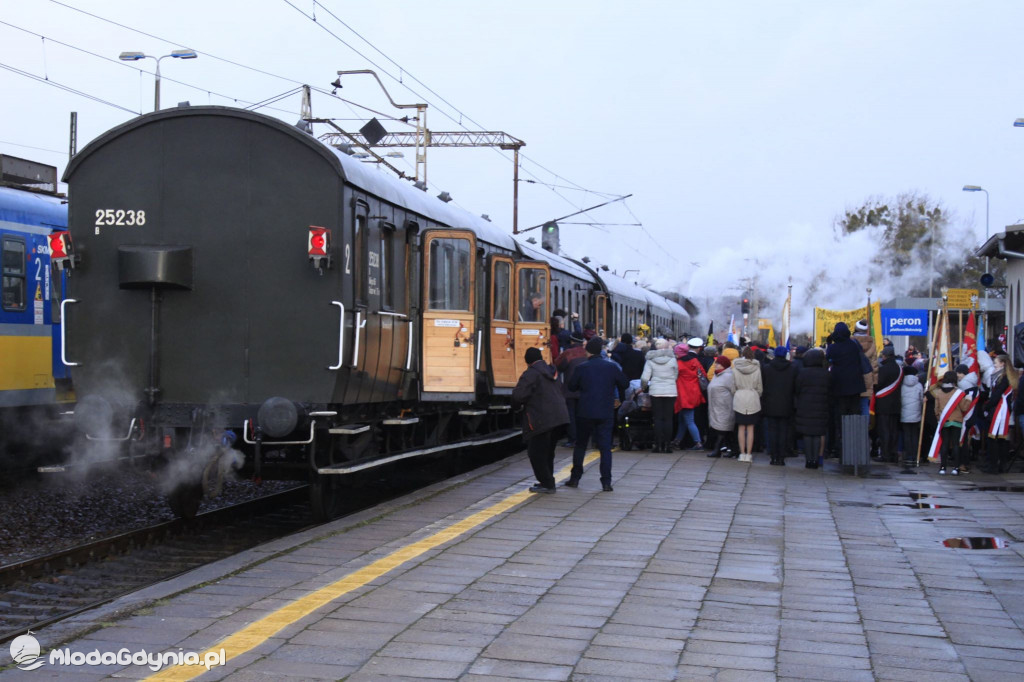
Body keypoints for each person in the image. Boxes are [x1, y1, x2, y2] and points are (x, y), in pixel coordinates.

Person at [566, 337, 629, 491]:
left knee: (580, 445)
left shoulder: (582, 367)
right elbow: (625, 384)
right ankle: (606, 482)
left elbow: (572, 386)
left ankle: (575, 478)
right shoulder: (611, 367)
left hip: (585, 411)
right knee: (605, 448)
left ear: (587, 351)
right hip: (605, 412)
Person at [512, 347, 570, 493]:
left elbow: (518, 396)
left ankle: (547, 483)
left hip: (541, 419)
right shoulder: (552, 371)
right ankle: (548, 481)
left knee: (536, 453)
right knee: (548, 452)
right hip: (559, 417)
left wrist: (516, 407)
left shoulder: (531, 374)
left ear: (527, 361)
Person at [928, 370, 973, 475]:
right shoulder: (959, 393)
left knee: (945, 444)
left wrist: (939, 418)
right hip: (956, 421)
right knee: (956, 444)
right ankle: (955, 468)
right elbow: (963, 407)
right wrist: (969, 400)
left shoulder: (939, 392)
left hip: (944, 421)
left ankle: (942, 468)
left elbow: (936, 408)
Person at [640, 338, 679, 453]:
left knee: (657, 419)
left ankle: (658, 445)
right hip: (671, 391)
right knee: (668, 419)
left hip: (656, 391)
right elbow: (676, 374)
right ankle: (667, 445)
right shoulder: (672, 359)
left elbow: (644, 377)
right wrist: (671, 382)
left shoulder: (650, 360)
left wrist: (643, 387)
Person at [982, 354, 1019, 474]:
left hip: (999, 410)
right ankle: (1000, 464)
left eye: (996, 362)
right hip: (1001, 409)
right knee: (1000, 440)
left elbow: (997, 395)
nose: (994, 364)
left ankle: (993, 465)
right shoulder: (1003, 376)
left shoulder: (1003, 378)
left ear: (1002, 363)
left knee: (994, 439)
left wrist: (987, 406)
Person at [762, 346, 798, 465]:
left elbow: (764, 386)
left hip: (770, 404)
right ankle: (781, 457)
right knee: (784, 431)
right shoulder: (792, 368)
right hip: (786, 404)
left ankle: (773, 456)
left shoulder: (767, 368)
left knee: (772, 431)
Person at [794, 348, 829, 468]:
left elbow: (797, 389)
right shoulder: (825, 373)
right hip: (821, 406)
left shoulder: (803, 372)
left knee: (807, 435)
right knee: (818, 434)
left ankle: (809, 460)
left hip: (805, 406)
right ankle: (815, 460)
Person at [555, 332, 588, 447]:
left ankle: (573, 440)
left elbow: (559, 366)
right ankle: (583, 439)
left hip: (570, 390)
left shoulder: (568, 353)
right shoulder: (587, 354)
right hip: (585, 390)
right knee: (582, 415)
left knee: (571, 416)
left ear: (572, 341)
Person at [672, 339, 706, 449]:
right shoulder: (695, 361)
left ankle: (698, 442)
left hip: (683, 393)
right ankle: (677, 440)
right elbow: (703, 375)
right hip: (694, 392)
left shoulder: (678, 364)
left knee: (689, 420)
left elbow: (674, 377)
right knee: (683, 419)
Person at [732, 346, 763, 462]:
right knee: (750, 428)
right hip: (752, 397)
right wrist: (755, 394)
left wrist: (737, 393)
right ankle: (749, 454)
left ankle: (742, 453)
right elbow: (760, 388)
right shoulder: (757, 368)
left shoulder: (735, 368)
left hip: (739, 397)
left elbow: (732, 386)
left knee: (741, 427)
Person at [874, 345, 903, 463]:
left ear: (884, 356)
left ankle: (885, 455)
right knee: (894, 430)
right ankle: (893, 454)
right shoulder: (900, 369)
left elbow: (878, 383)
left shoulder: (883, 369)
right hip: (896, 403)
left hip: (883, 403)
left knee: (884, 430)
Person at [706, 356, 737, 458]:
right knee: (725, 430)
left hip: (724, 406)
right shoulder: (717, 374)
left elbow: (733, 390)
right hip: (716, 406)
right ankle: (734, 450)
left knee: (722, 429)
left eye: (718, 363)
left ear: (724, 365)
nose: (716, 365)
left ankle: (717, 450)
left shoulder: (728, 376)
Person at [900, 365, 924, 468]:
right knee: (914, 435)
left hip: (904, 413)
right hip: (916, 413)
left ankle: (907, 455)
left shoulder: (901, 385)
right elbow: (922, 399)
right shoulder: (919, 385)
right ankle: (914, 455)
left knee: (906, 435)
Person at [852, 319, 878, 415]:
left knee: (852, 406)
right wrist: (875, 381)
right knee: (864, 406)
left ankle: (853, 428)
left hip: (853, 377)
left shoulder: (851, 342)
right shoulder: (872, 342)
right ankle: (864, 429)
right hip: (867, 377)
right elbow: (874, 364)